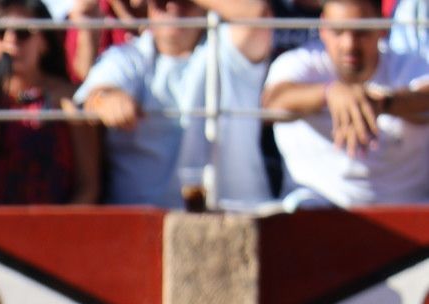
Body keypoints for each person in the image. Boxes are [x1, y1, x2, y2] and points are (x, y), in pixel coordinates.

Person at [75, 0, 274, 210]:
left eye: (185, 2)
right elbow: (93, 98)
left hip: (238, 221)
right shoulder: (128, 56)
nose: (172, 6)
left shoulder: (228, 49)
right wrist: (107, 101)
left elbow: (257, 13)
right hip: (145, 226)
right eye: (160, 2)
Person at [265, 0, 429, 206]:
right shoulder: (298, 63)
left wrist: (383, 103)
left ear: (382, 27)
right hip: (315, 209)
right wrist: (329, 94)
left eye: (361, 31)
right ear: (323, 28)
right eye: (338, 32)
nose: (349, 44)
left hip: (412, 215)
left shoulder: (413, 65)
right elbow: (270, 103)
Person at [0, 0, 99, 204]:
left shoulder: (69, 101)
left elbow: (88, 187)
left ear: (44, 42)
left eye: (23, 32)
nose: (10, 41)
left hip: (53, 229)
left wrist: (61, 231)